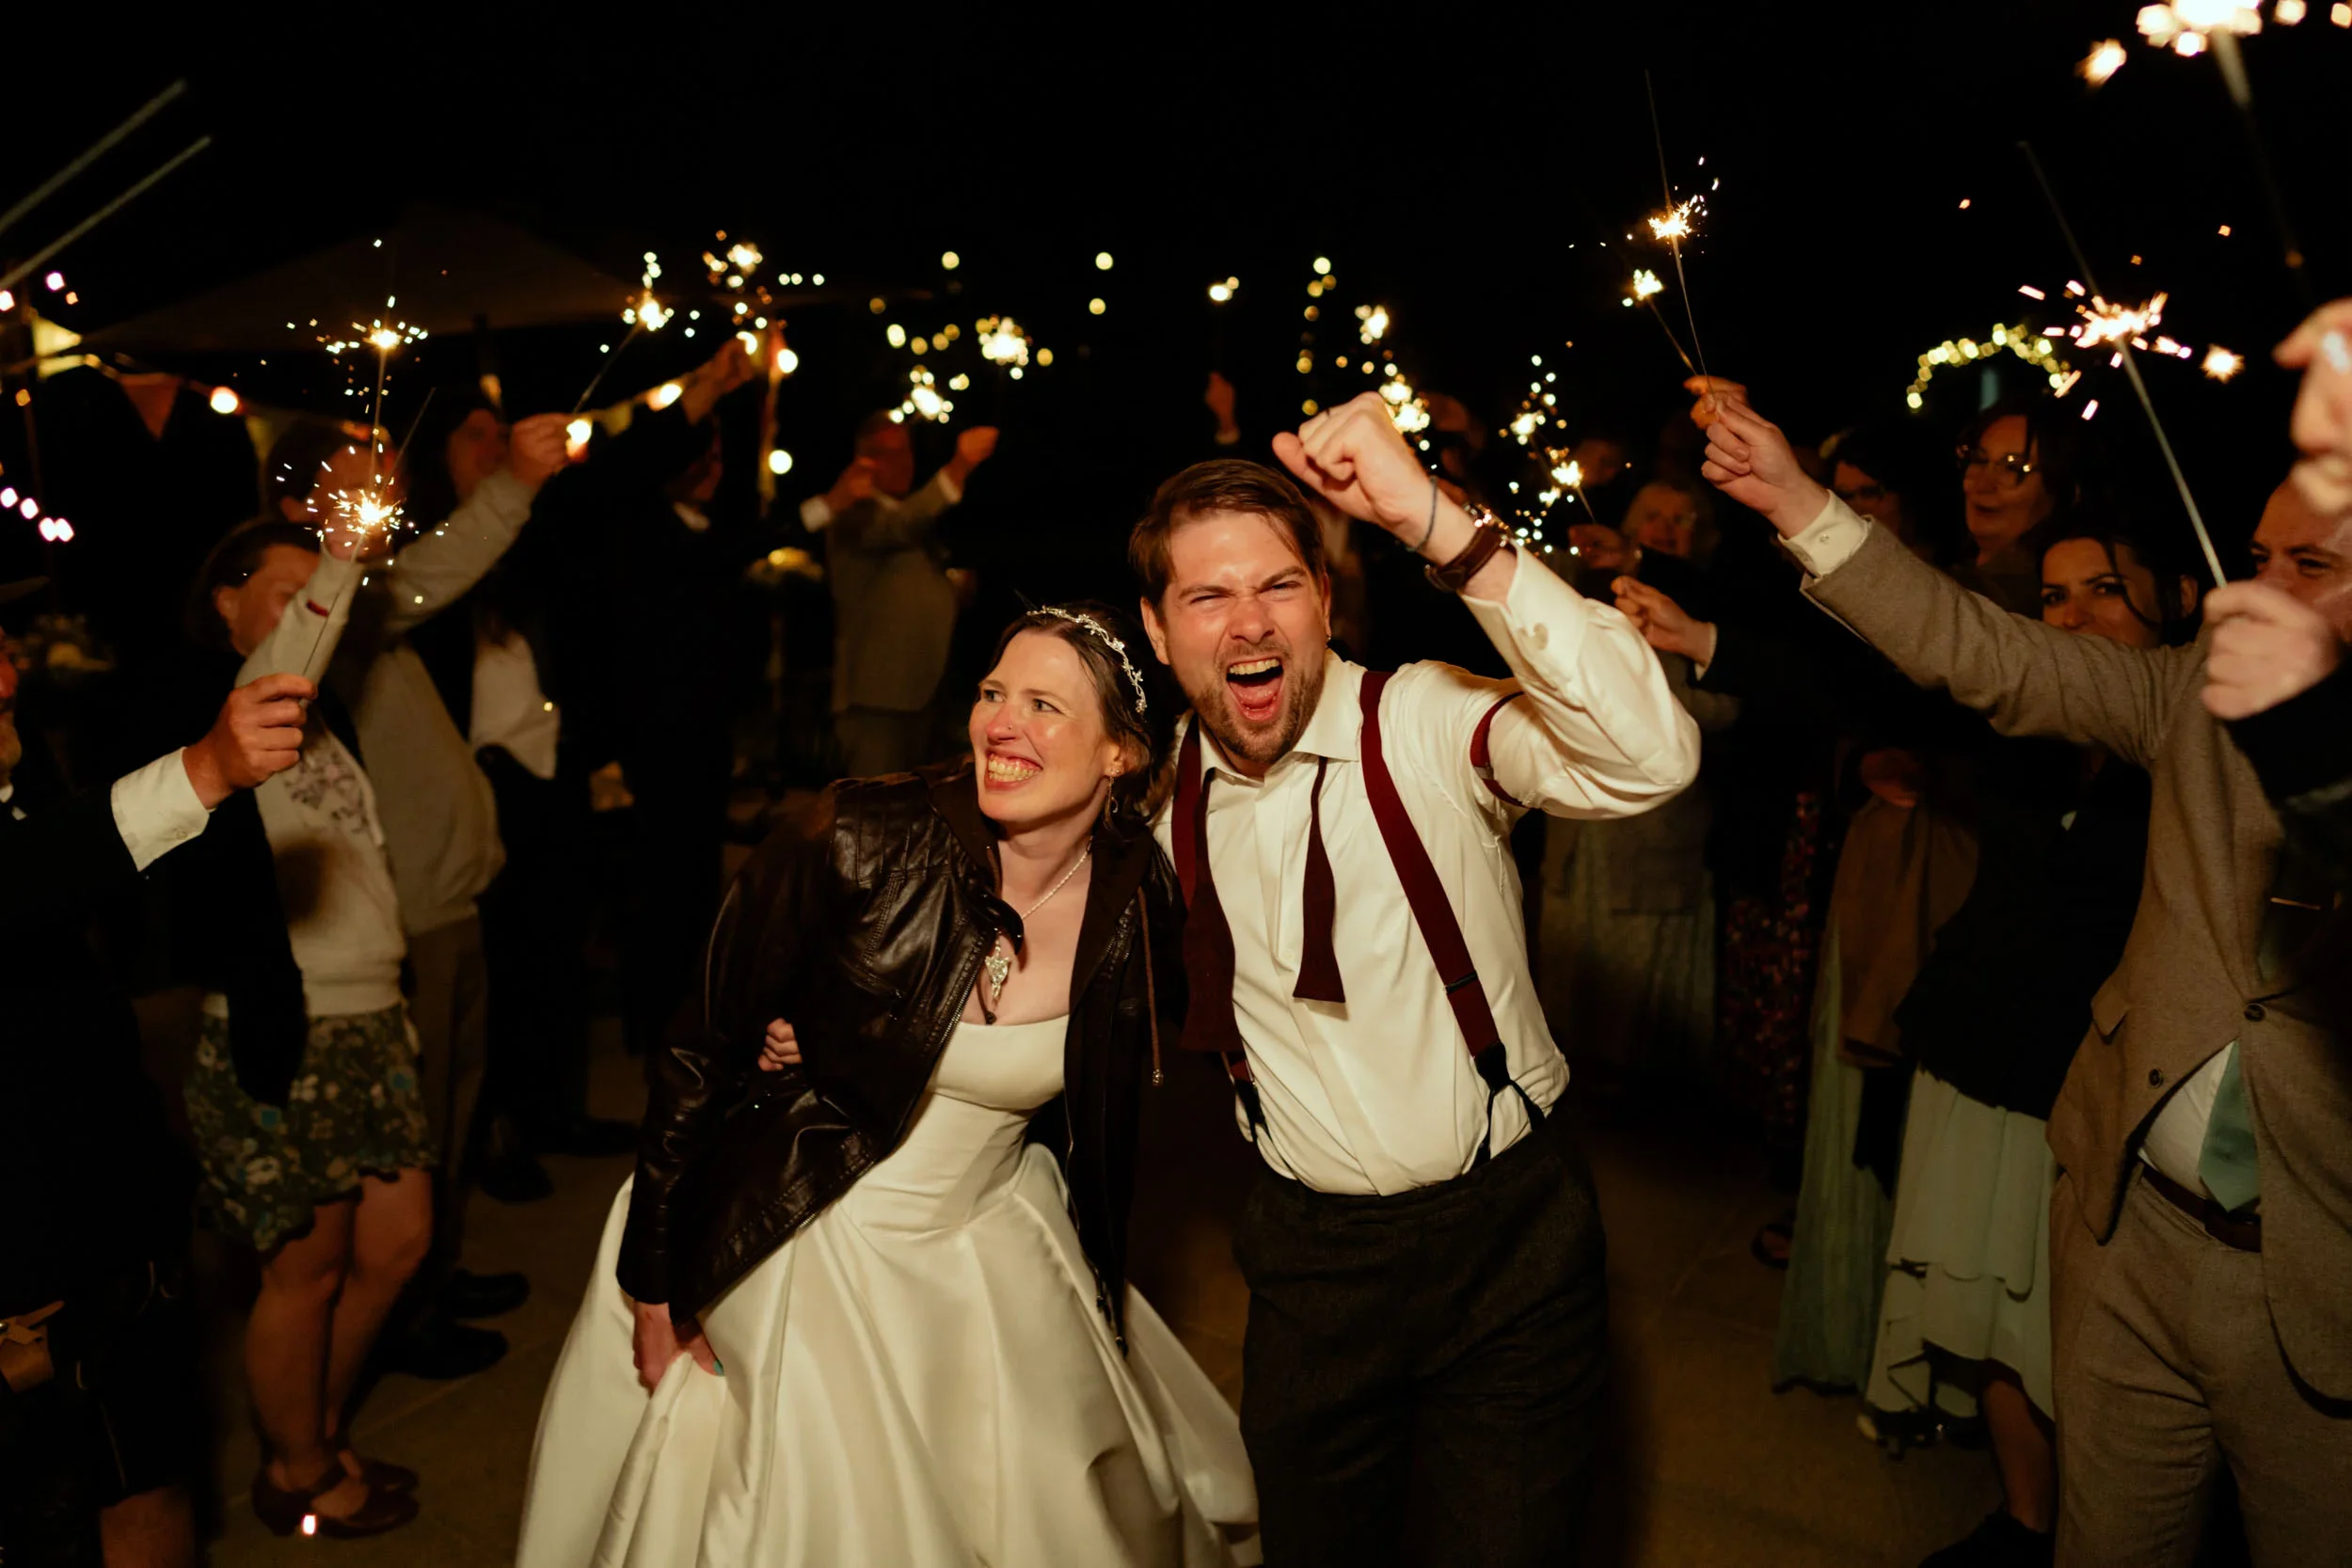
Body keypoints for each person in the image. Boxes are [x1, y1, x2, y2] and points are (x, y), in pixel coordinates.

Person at [1692, 347, 2352, 1565]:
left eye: (2311, 566)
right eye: (2257, 561)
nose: (2263, 594)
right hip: (2128, 1228)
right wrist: (1797, 501)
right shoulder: (2194, 695)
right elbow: (1984, 652)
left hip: (2320, 1284)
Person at [515, 605, 1256, 1567]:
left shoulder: (1139, 900)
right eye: (993, 693)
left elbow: (1117, 1095)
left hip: (990, 1242)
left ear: (1118, 753)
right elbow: (698, 1044)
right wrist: (652, 1283)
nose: (1001, 723)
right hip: (804, 1225)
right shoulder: (859, 833)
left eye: (1044, 704)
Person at [1134, 400, 1700, 1565]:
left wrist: (1440, 523)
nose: (1249, 620)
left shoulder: (1430, 721)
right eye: (1207, 595)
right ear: (1157, 629)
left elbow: (1652, 753)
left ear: (1324, 600)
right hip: (1307, 1263)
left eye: (1279, 585)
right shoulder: (1148, 817)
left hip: (1512, 1239)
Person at [1856, 513, 2195, 1568]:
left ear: (2179, 596)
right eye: (2052, 598)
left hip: (2087, 1095)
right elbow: (1867, 677)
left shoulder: (2202, 739)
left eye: (2104, 587)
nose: (2075, 617)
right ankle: (2023, 1517)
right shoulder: (2024, 730)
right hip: (1975, 1059)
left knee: (2078, 1338)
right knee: (1976, 1301)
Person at [0, 575, 308, 1568]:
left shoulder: (20, 765)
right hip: (20, 1265)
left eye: (3, 642)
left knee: (147, 1479)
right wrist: (204, 770)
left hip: (109, 1220)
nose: (8, 673)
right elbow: (26, 877)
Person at [267, 404, 571, 1375]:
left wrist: (516, 482)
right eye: (360, 473)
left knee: (457, 1105)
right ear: (293, 505)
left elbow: (438, 562)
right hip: (405, 907)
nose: (385, 489)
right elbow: (441, 564)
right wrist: (511, 484)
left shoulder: (364, 599)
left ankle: (433, 1271)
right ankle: (405, 1309)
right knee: (420, 1124)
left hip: (447, 892)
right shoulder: (298, 621)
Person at [178, 516, 437, 1538]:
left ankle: (313, 1427)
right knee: (308, 1268)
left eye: (313, 589)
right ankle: (296, 1466)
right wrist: (339, 554)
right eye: (279, 590)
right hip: (291, 1026)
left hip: (373, 1015)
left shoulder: (317, 719)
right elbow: (288, 656)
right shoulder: (221, 712)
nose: (307, 612)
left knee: (399, 1242)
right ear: (225, 605)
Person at [804, 413, 1000, 776]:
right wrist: (958, 467)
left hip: (922, 691)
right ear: (865, 459)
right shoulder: (853, 513)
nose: (901, 463)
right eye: (887, 453)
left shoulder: (900, 512)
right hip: (878, 698)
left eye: (905, 452)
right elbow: (900, 527)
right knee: (874, 812)